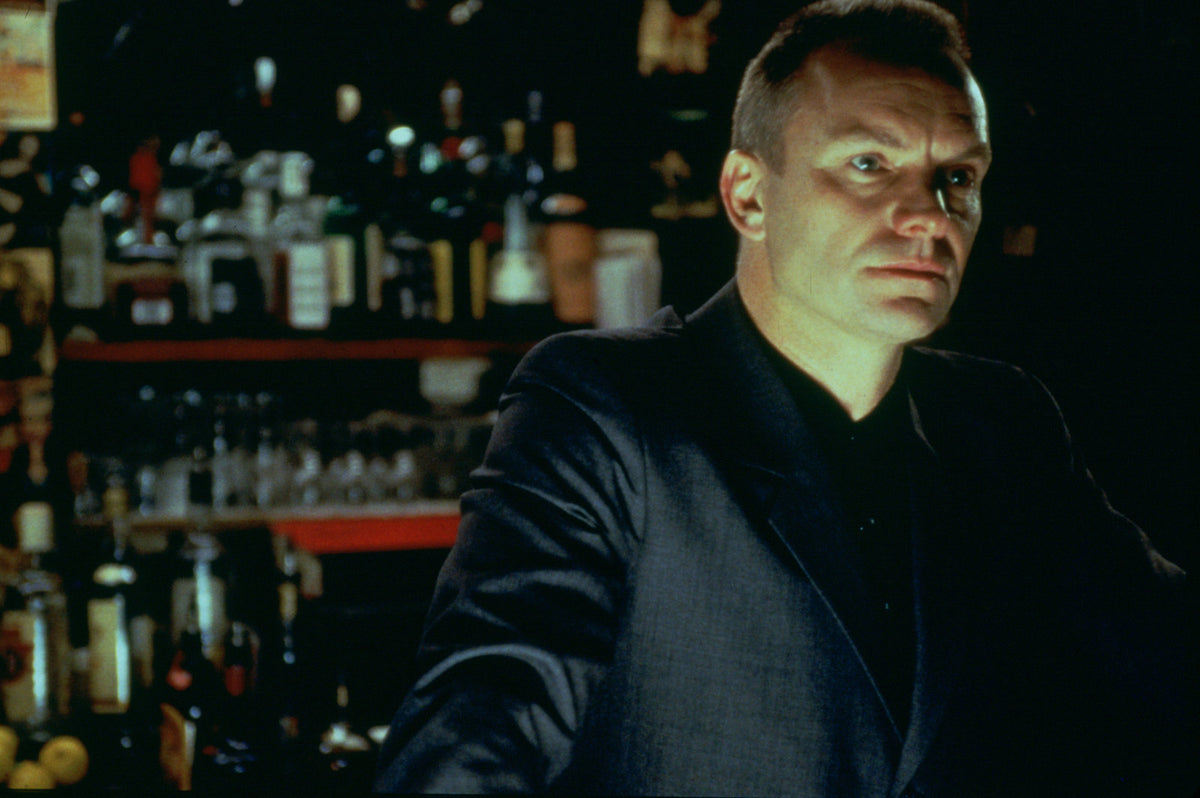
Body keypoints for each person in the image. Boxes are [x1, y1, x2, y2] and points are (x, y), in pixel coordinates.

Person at [375, 1, 1199, 794]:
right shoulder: (608, 409)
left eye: (958, 175)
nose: (928, 216)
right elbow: (480, 731)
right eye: (868, 163)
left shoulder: (1001, 423)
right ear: (748, 195)